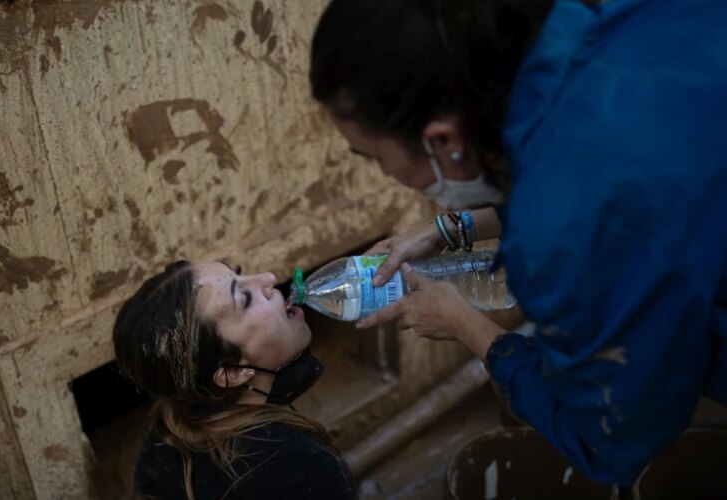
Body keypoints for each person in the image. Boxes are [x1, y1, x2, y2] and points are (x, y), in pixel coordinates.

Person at [308, 0, 727, 488]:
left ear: (441, 140)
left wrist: (464, 324)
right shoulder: (606, 22)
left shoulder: (562, 243)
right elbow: (631, 187)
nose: (384, 173)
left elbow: (612, 441)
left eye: (374, 157)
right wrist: (451, 228)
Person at [112, 260, 356, 499]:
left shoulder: (167, 424)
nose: (269, 277)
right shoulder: (301, 471)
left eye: (239, 274)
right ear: (232, 373)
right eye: (245, 300)